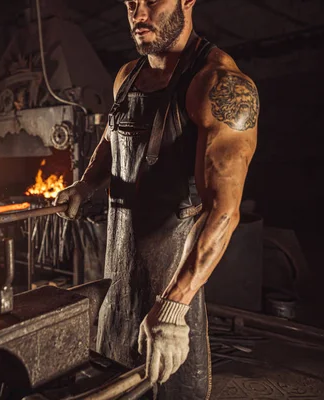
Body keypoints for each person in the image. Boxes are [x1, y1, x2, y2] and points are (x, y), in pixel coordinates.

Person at [54, 0, 259, 398]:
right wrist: (86, 185)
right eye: (131, 3)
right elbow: (113, 136)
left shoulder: (220, 85)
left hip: (172, 287)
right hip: (120, 271)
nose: (139, 14)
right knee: (112, 380)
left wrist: (174, 308)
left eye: (151, 1)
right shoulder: (128, 76)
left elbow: (223, 210)